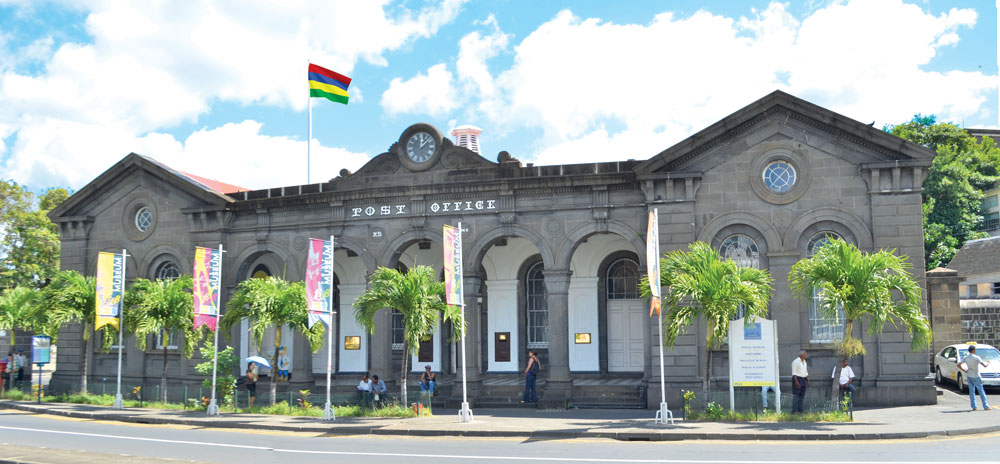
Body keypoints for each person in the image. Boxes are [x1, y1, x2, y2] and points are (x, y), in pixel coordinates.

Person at [959, 345, 991, 411]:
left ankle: (974, 406)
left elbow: (958, 365)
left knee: (971, 391)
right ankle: (986, 405)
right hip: (976, 374)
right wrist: (988, 362)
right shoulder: (977, 357)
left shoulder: (966, 357)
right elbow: (984, 365)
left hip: (969, 374)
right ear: (973, 350)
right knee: (981, 391)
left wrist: (965, 370)